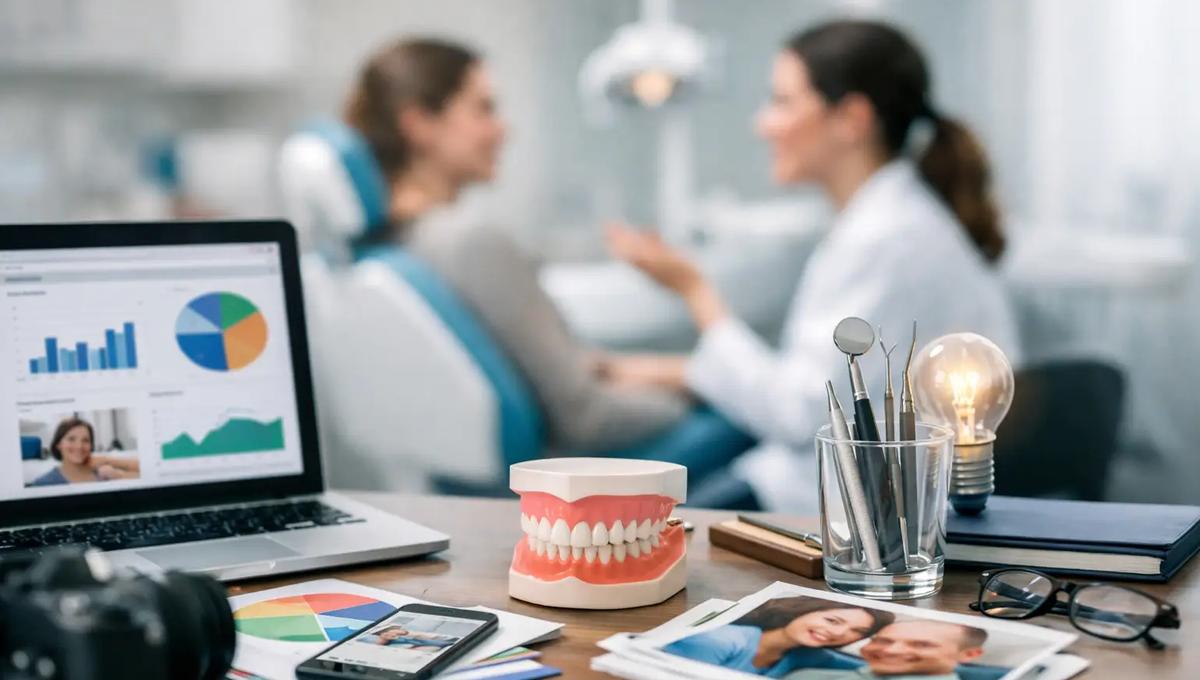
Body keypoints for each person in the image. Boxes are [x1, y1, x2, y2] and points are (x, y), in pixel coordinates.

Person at [606, 20, 1020, 511]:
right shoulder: (890, 221)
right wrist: (672, 371)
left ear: (851, 119)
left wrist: (695, 291)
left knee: (659, 515)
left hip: (859, 513)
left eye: (781, 102)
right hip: (841, 486)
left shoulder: (887, 238)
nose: (763, 124)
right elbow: (817, 383)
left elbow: (797, 413)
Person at [343, 38, 691, 453]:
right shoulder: (471, 244)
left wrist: (661, 373)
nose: (503, 129)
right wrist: (703, 399)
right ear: (420, 123)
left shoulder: (391, 251)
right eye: (484, 109)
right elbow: (588, 417)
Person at [663, 597, 895, 677]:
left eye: (857, 632)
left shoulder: (805, 655)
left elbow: (878, 667)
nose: (839, 634)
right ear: (800, 611)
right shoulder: (721, 640)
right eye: (832, 620)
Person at [785, 621, 988, 680]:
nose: (891, 651)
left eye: (921, 644)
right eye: (882, 641)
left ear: (969, 654)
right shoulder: (808, 676)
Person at [29, 417, 140, 487]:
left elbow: (147, 472)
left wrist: (114, 469)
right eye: (71, 439)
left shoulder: (103, 471)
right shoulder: (45, 483)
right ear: (58, 444)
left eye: (86, 440)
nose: (79, 446)